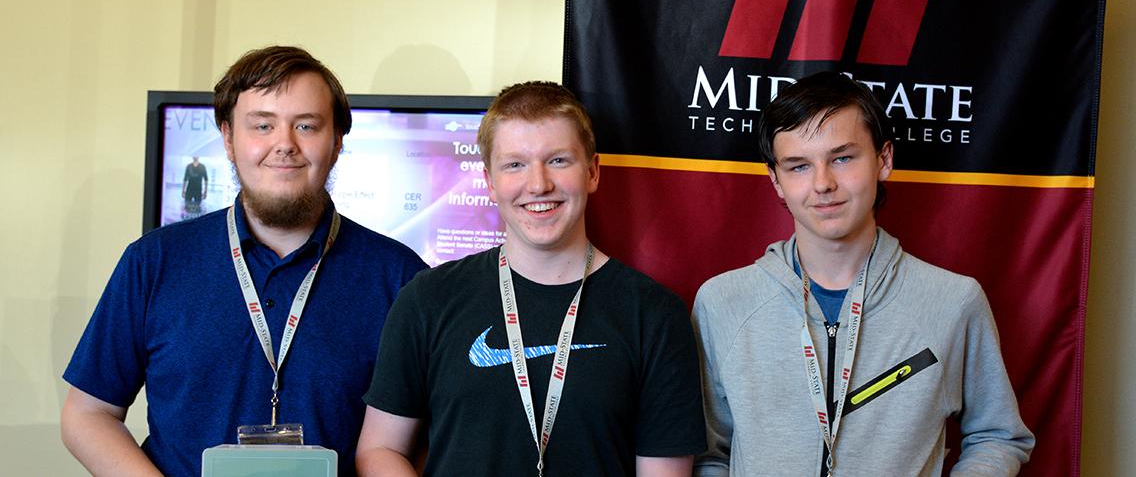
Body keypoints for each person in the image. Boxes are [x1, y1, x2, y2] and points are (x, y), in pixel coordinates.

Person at [61, 46, 428, 477]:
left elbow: (421, 439)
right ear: (229, 139)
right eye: (262, 125)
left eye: (306, 126)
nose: (284, 145)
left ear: (337, 142)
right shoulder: (154, 261)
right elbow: (87, 415)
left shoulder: (403, 278)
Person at [692, 72, 1034, 476]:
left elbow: (998, 435)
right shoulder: (723, 302)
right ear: (776, 181)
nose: (823, 183)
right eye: (799, 166)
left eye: (842, 158)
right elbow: (710, 454)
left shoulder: (953, 301)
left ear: (883, 160)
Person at [356, 81, 706, 476]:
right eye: (515, 164)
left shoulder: (655, 314)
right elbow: (380, 450)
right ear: (489, 182)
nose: (538, 184)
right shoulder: (427, 298)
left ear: (592, 172)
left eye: (558, 160)